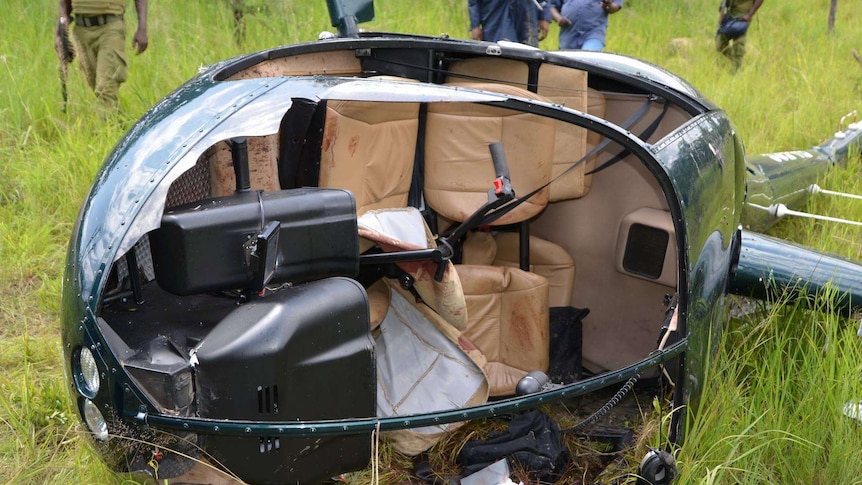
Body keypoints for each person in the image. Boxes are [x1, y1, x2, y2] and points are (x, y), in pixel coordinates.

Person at [56, 0, 149, 111]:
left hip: (110, 28)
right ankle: (120, 126)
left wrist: (142, 28)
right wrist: (60, 32)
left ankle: (109, 126)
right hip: (82, 31)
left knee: (105, 89)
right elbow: (64, 3)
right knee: (97, 88)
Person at [550, 0, 622, 51]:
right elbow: (551, 6)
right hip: (569, 34)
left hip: (594, 32)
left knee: (588, 58)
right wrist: (558, 18)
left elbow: (615, 5)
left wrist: (609, 5)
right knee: (568, 67)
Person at [469, 0, 549, 46]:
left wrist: (544, 16)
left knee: (529, 55)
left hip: (526, 14)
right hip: (496, 16)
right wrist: (475, 25)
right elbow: (473, 2)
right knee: (499, 53)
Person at [715, 0, 763, 70]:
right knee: (720, 43)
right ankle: (732, 62)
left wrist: (750, 14)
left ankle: (737, 70)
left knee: (738, 45)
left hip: (742, 15)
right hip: (730, 13)